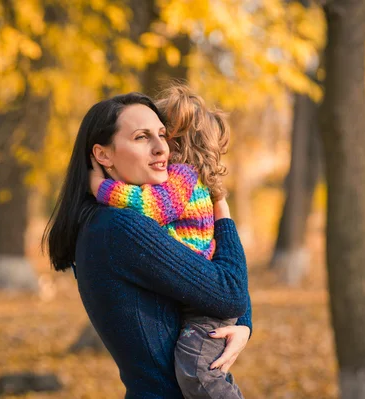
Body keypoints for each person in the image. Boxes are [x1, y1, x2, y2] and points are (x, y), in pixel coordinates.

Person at [43, 92, 251, 399]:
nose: (162, 148)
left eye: (163, 135)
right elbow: (230, 293)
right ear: (103, 155)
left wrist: (242, 325)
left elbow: (215, 287)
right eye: (141, 137)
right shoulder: (120, 228)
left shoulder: (114, 222)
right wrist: (223, 215)